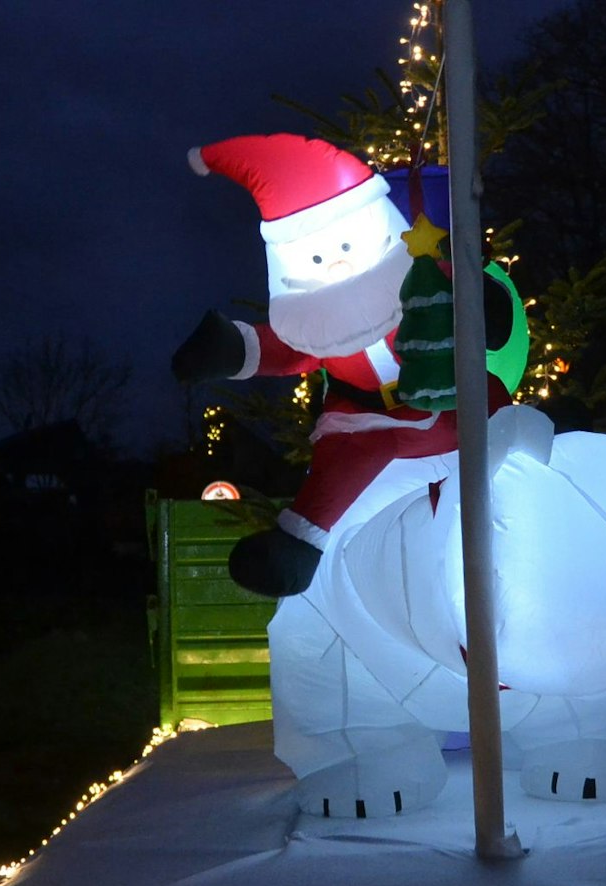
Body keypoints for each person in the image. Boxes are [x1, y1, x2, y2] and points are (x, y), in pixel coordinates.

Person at [171, 134, 519, 596]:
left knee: (496, 420)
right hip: (363, 422)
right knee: (342, 463)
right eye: (316, 257)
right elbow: (282, 348)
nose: (334, 262)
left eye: (345, 246)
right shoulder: (316, 323)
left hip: (450, 403)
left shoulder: (420, 277)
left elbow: (468, 300)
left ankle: (548, 453)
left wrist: (483, 310)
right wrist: (230, 348)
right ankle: (299, 545)